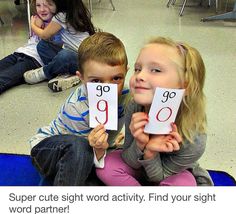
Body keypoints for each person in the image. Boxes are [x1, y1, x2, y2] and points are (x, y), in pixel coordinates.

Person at [96, 36, 214, 186]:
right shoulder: (134, 106)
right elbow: (129, 160)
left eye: (156, 70)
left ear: (185, 86)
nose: (140, 76)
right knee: (106, 165)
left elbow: (159, 177)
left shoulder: (194, 135)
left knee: (184, 184)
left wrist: (151, 152)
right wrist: (139, 143)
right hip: (137, 168)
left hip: (168, 175)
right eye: (138, 69)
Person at [29, 32, 130, 185]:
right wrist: (100, 149)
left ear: (126, 73)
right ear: (81, 78)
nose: (108, 88)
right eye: (96, 81)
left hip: (87, 151)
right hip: (48, 149)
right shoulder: (75, 108)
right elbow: (84, 153)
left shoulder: (126, 94)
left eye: (116, 78)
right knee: (80, 149)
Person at [24, 0, 96, 92]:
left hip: (82, 62)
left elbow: (44, 35)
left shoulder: (61, 16)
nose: (47, 7)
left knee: (64, 55)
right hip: (79, 57)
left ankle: (43, 73)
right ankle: (66, 75)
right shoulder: (77, 11)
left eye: (50, 4)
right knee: (43, 45)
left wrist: (32, 25)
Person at [0, 0, 61, 95]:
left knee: (5, 77)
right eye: (38, 5)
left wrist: (34, 26)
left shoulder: (57, 22)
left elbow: (51, 40)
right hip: (20, 53)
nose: (42, 9)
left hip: (34, 60)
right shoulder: (36, 18)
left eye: (46, 6)